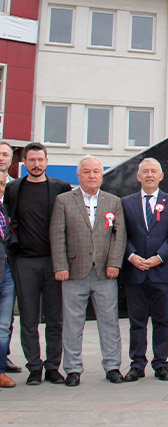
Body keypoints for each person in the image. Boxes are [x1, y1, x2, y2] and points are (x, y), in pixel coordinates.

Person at [49, 156, 127, 386]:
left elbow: (119, 235)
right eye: (87, 171)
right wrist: (61, 266)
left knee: (109, 322)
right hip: (74, 272)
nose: (92, 175)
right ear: (78, 175)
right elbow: (57, 235)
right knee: (73, 323)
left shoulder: (113, 201)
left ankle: (112, 366)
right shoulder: (64, 201)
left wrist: (115, 263)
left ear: (101, 175)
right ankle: (73, 369)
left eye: (96, 171)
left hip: (105, 273)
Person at [4, 142, 71, 385]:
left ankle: (53, 367)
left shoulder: (60, 188)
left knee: (55, 319)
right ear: (24, 163)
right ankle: (34, 367)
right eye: (31, 161)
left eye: (40, 160)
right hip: (24, 262)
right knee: (29, 319)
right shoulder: (14, 189)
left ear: (46, 161)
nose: (36, 165)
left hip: (54, 262)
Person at [121, 158, 168, 382]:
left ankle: (161, 363)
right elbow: (121, 234)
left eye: (153, 171)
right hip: (135, 271)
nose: (149, 175)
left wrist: (159, 257)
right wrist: (131, 256)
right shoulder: (126, 203)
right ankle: (137, 364)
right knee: (136, 321)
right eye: (145, 171)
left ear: (161, 176)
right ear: (138, 176)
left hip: (162, 272)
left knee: (162, 320)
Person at [0, 141, 20, 374]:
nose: (2, 158)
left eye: (5, 154)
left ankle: (3, 358)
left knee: (6, 320)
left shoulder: (16, 187)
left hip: (9, 260)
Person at [0, 174, 15, 387]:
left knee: (3, 326)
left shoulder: (5, 209)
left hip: (7, 272)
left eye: (2, 184)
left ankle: (0, 371)